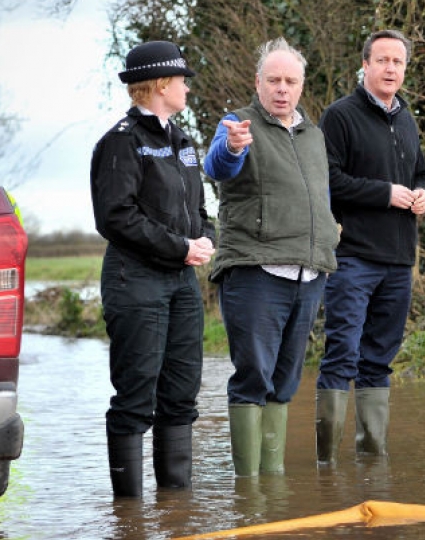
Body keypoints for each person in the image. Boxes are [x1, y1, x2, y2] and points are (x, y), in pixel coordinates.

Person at [203, 37, 338, 477]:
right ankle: (249, 489)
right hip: (255, 271)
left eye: (291, 81)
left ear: (301, 86)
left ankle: (273, 483)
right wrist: (234, 147)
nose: (282, 88)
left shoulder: (314, 135)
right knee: (253, 377)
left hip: (309, 271)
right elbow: (218, 166)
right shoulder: (237, 125)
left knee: (285, 380)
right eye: (274, 80)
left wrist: (332, 232)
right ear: (257, 82)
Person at [90, 40, 216, 497]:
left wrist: (205, 238)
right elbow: (115, 216)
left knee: (181, 393)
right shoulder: (121, 142)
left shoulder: (183, 142)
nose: (187, 87)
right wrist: (180, 246)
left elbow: (198, 208)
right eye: (182, 79)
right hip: (135, 280)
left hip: (181, 284)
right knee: (136, 397)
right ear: (161, 83)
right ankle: (129, 515)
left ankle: (175, 509)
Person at [315, 29, 425, 466]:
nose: (390, 68)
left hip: (400, 261)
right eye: (381, 60)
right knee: (342, 353)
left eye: (397, 62)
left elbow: (421, 174)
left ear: (404, 69)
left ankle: (371, 457)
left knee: (379, 359)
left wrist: (421, 194)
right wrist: (385, 193)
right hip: (354, 258)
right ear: (364, 65)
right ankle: (326, 464)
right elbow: (331, 180)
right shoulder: (340, 116)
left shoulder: (407, 119)